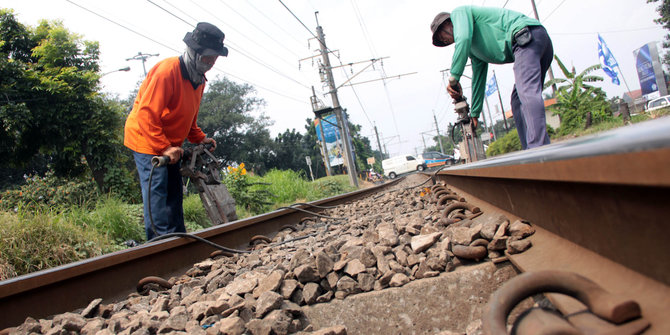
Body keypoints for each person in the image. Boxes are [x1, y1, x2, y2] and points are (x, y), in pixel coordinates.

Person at [124, 22, 228, 240]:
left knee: (174, 191)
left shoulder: (199, 81)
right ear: (194, 51)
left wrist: (199, 138)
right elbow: (146, 114)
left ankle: (177, 241)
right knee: (157, 189)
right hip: (146, 138)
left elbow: (189, 117)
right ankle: (158, 244)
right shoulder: (167, 71)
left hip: (170, 144)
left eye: (214, 58)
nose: (211, 62)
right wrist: (164, 147)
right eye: (207, 57)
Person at [430, 6, 554, 149]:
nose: (446, 41)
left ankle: (538, 149)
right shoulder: (473, 49)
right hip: (535, 41)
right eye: (443, 42)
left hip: (526, 36)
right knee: (517, 101)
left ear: (448, 23)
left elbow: (463, 38)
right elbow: (479, 77)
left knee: (526, 91)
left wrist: (454, 77)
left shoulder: (459, 14)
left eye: (442, 37)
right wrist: (475, 114)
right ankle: (531, 149)